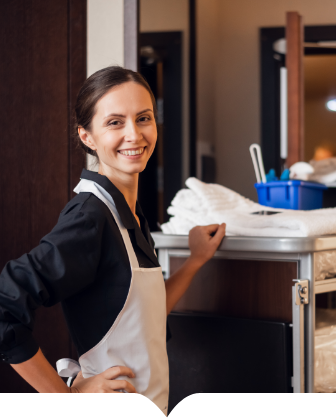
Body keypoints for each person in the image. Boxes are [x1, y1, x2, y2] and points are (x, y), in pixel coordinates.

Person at [0, 66, 226, 414]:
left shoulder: (128, 213)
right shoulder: (90, 218)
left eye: (144, 118)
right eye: (115, 122)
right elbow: (5, 306)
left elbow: (144, 319)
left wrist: (194, 261)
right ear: (87, 137)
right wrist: (65, 399)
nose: (134, 134)